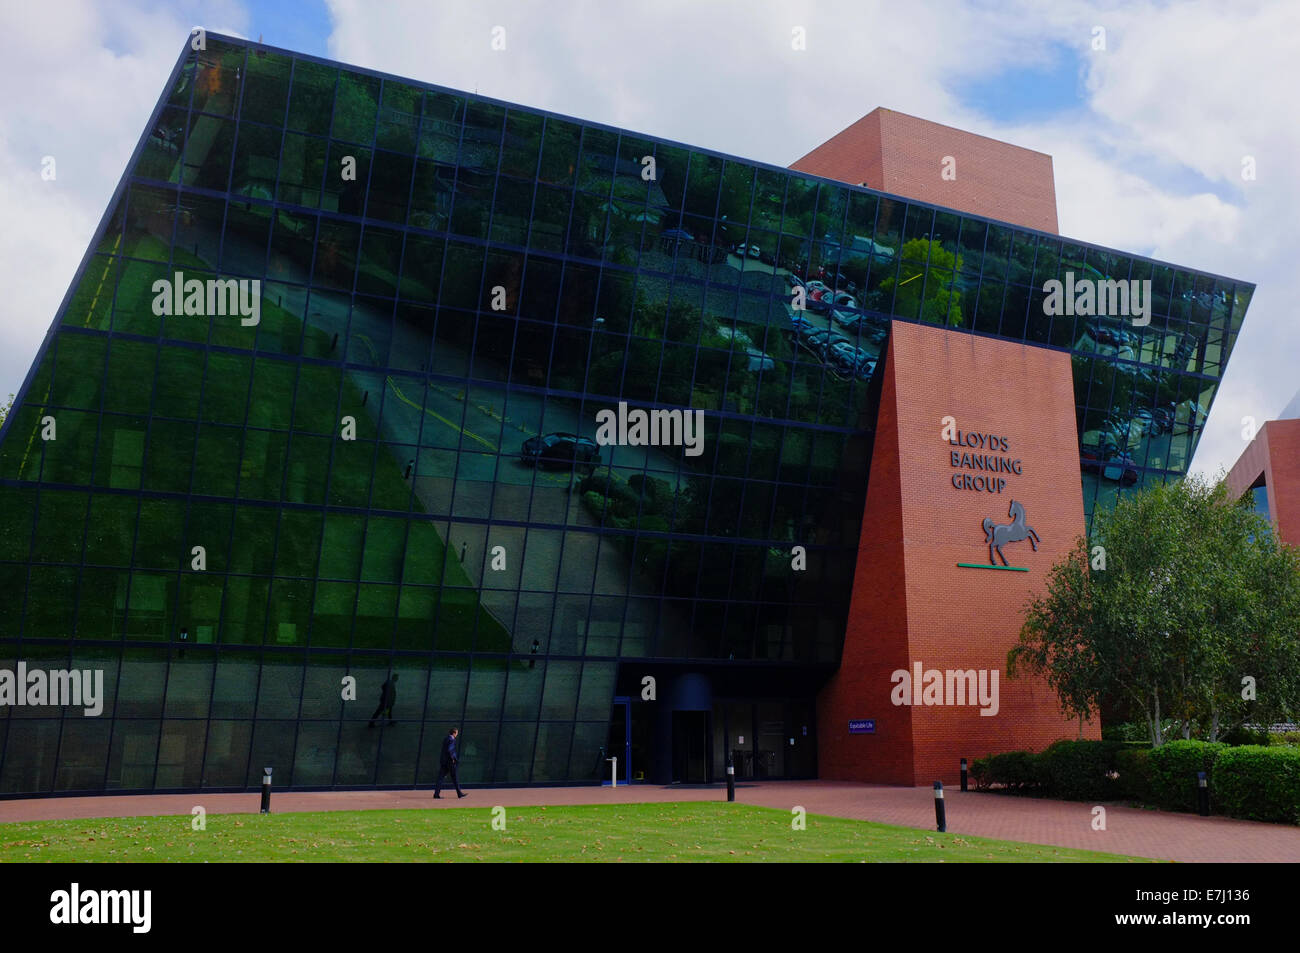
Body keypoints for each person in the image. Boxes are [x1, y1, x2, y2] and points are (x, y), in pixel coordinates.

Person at [434, 727, 466, 798]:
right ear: (454, 733)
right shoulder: (452, 740)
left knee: (440, 778)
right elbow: (450, 750)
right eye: (457, 733)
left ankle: (436, 794)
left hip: (444, 762)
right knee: (455, 778)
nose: (457, 734)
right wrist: (453, 758)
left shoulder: (446, 738)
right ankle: (459, 794)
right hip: (450, 762)